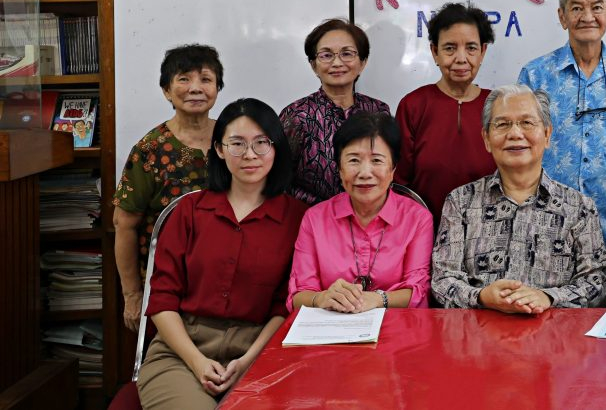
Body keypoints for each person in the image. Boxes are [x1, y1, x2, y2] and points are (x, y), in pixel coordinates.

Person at [136, 98, 308, 410]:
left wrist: (248, 360)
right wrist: (197, 361)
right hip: (182, 351)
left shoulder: (297, 218)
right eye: (237, 144)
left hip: (261, 351)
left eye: (261, 143)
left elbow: (285, 304)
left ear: (276, 148)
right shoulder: (190, 211)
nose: (250, 155)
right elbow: (162, 299)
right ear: (219, 149)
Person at [518, 0, 606, 305]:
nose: (587, 16)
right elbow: (520, 154)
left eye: (596, 7)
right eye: (576, 8)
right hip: (547, 233)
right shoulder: (535, 74)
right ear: (562, 16)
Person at [432, 84, 606, 313]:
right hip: (478, 339)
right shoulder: (461, 202)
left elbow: (597, 280)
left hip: (554, 340)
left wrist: (548, 297)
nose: (515, 134)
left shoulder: (579, 208)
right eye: (503, 124)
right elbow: (442, 280)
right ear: (486, 138)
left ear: (547, 134)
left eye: (527, 123)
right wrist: (481, 297)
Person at [112, 44, 224, 332]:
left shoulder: (234, 139)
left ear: (218, 88)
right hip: (167, 283)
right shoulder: (150, 149)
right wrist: (132, 295)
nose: (195, 88)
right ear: (166, 90)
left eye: (206, 79)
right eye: (184, 79)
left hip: (225, 278)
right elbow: (124, 224)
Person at [288, 111, 433, 312]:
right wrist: (322, 298)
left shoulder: (417, 218)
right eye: (354, 160)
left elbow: (419, 290)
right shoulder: (315, 218)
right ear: (339, 169)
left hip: (397, 329)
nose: (365, 173)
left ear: (393, 169)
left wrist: (377, 299)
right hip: (330, 331)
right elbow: (298, 294)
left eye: (376, 161)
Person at [395, 2, 497, 223]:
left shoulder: (498, 106)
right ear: (435, 52)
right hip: (424, 231)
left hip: (488, 234)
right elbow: (400, 184)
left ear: (483, 51)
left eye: (471, 48)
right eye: (450, 48)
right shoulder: (413, 105)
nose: (461, 58)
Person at [280, 18, 389, 205]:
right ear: (314, 65)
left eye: (347, 54)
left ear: (362, 63)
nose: (337, 63)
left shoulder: (378, 111)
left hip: (367, 220)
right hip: (308, 220)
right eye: (326, 55)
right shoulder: (297, 115)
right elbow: (278, 178)